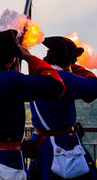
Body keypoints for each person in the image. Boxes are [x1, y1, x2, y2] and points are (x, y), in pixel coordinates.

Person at [0, 29, 65, 180]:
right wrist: (29, 58)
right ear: (13, 59)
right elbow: (56, 86)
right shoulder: (9, 79)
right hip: (5, 162)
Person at [28, 36, 97, 179]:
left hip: (41, 144)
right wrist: (74, 67)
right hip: (62, 146)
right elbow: (93, 86)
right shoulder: (63, 78)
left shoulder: (39, 74)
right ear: (68, 60)